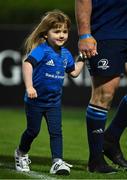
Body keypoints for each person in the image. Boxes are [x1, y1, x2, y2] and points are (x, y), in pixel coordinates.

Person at [14, 9, 85, 175]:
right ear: (45, 34)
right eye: (57, 31)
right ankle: (21, 153)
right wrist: (30, 87)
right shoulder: (42, 50)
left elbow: (74, 72)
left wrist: (83, 57)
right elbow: (27, 64)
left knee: (56, 132)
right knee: (33, 131)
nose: (62, 35)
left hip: (54, 102)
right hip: (35, 101)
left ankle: (57, 161)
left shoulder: (66, 54)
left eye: (65, 31)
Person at [75, 0, 127, 173]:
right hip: (107, 31)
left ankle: (110, 138)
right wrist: (84, 34)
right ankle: (95, 161)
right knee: (103, 94)